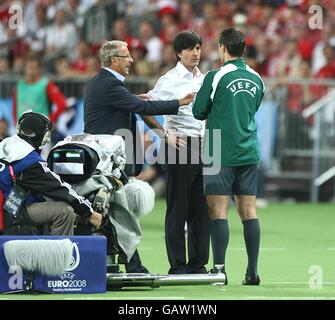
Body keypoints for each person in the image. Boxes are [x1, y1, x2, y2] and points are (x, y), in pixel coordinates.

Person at [84, 40, 195, 274]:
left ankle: (121, 265)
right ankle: (132, 265)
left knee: (113, 213)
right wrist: (180, 102)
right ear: (114, 61)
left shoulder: (104, 83)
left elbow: (131, 104)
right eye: (126, 56)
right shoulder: (110, 85)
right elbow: (143, 108)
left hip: (104, 161)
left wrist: (135, 99)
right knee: (120, 212)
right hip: (106, 163)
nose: (131, 60)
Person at [193, 27, 265, 285]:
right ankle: (252, 272)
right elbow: (254, 108)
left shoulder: (215, 75)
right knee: (249, 211)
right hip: (248, 149)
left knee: (218, 211)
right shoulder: (257, 78)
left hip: (217, 149)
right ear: (243, 49)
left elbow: (198, 111)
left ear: (222, 47)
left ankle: (219, 269)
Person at [146, 31, 210, 274]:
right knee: (178, 207)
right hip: (179, 145)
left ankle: (198, 264)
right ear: (178, 52)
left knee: (200, 209)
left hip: (204, 144)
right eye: (191, 49)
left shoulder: (204, 79)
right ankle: (177, 265)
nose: (196, 53)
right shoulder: (169, 80)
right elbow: (145, 107)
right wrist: (164, 134)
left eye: (198, 48)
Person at [0, 111, 102, 236]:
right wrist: (89, 212)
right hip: (12, 213)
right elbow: (59, 188)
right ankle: (59, 254)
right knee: (65, 211)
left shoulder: (5, 143)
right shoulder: (29, 161)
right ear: (44, 137)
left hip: (7, 207)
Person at [12, 55, 67, 124]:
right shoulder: (19, 85)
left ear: (40, 69)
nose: (30, 71)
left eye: (33, 68)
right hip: (21, 128)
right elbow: (15, 106)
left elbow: (62, 104)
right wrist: (15, 122)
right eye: (28, 67)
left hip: (39, 129)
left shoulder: (46, 84)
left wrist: (49, 120)